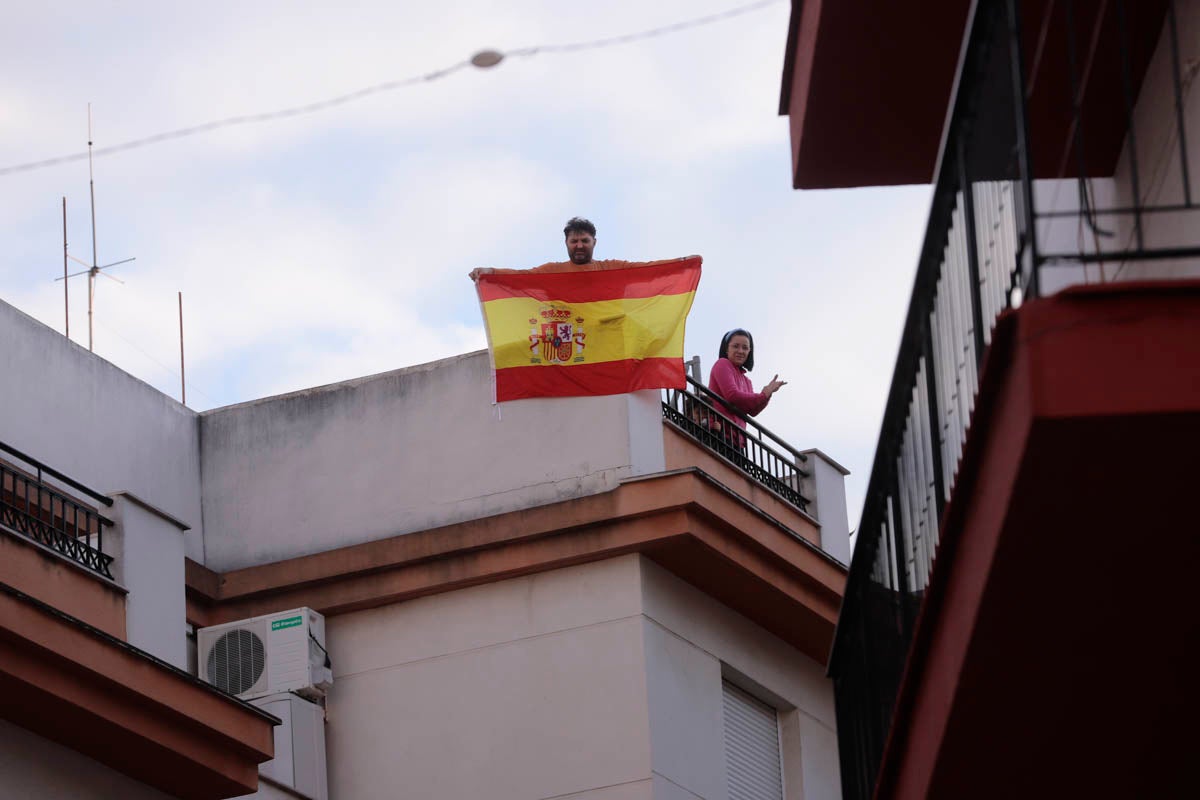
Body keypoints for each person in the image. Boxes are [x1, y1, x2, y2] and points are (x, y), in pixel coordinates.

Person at [469, 217, 625, 281]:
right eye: (574, 241)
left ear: (594, 242)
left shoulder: (612, 268)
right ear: (566, 243)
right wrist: (490, 272)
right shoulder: (553, 271)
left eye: (585, 241)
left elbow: (647, 270)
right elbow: (522, 277)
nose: (579, 246)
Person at [706, 328, 786, 447]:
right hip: (718, 434)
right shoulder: (722, 364)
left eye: (745, 348)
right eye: (736, 346)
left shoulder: (747, 381)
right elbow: (732, 395)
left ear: (749, 351)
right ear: (727, 349)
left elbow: (753, 410)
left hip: (737, 442)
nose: (740, 351)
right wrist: (763, 394)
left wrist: (768, 394)